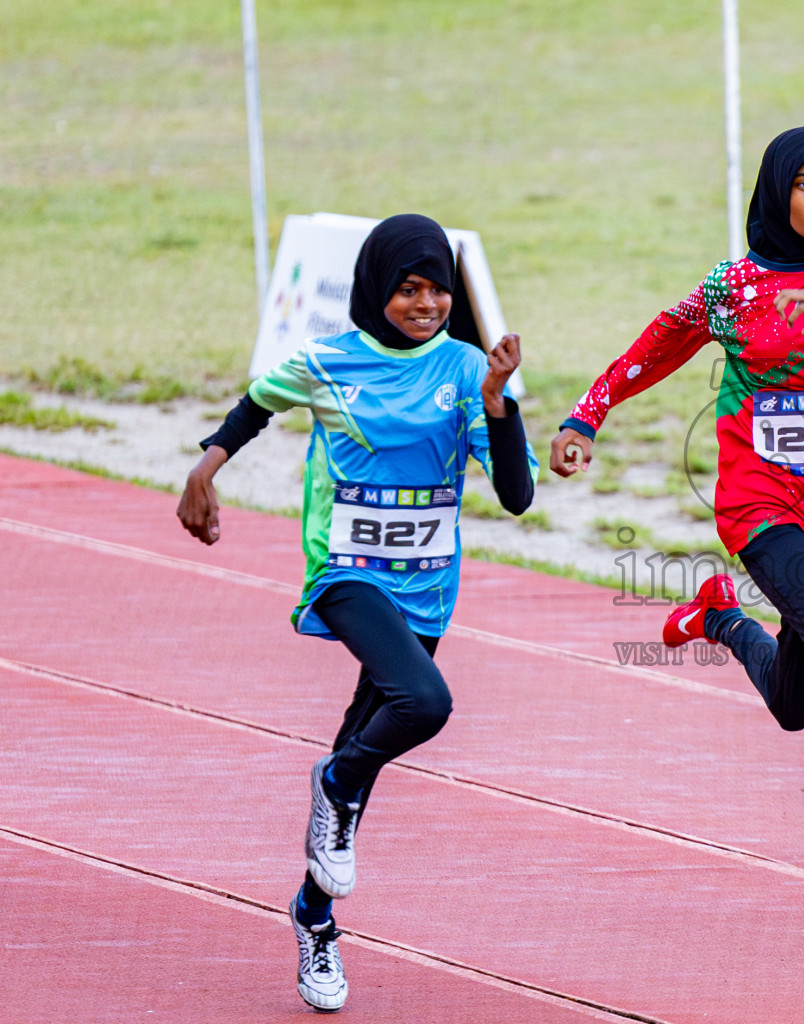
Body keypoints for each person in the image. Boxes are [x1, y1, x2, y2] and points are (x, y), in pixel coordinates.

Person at [550, 126, 804, 919]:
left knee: (793, 701)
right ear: (778, 191)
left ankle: (721, 619)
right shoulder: (734, 286)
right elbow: (661, 342)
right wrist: (586, 416)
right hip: (762, 503)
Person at [178, 214, 539, 1010]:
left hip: (426, 590)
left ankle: (315, 919)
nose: (426, 303)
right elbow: (252, 408)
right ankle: (333, 784)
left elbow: (516, 496)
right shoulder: (327, 362)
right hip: (345, 574)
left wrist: (498, 406)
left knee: (362, 760)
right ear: (377, 289)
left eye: (438, 288)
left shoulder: (467, 369)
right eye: (409, 288)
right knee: (424, 702)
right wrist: (204, 471)